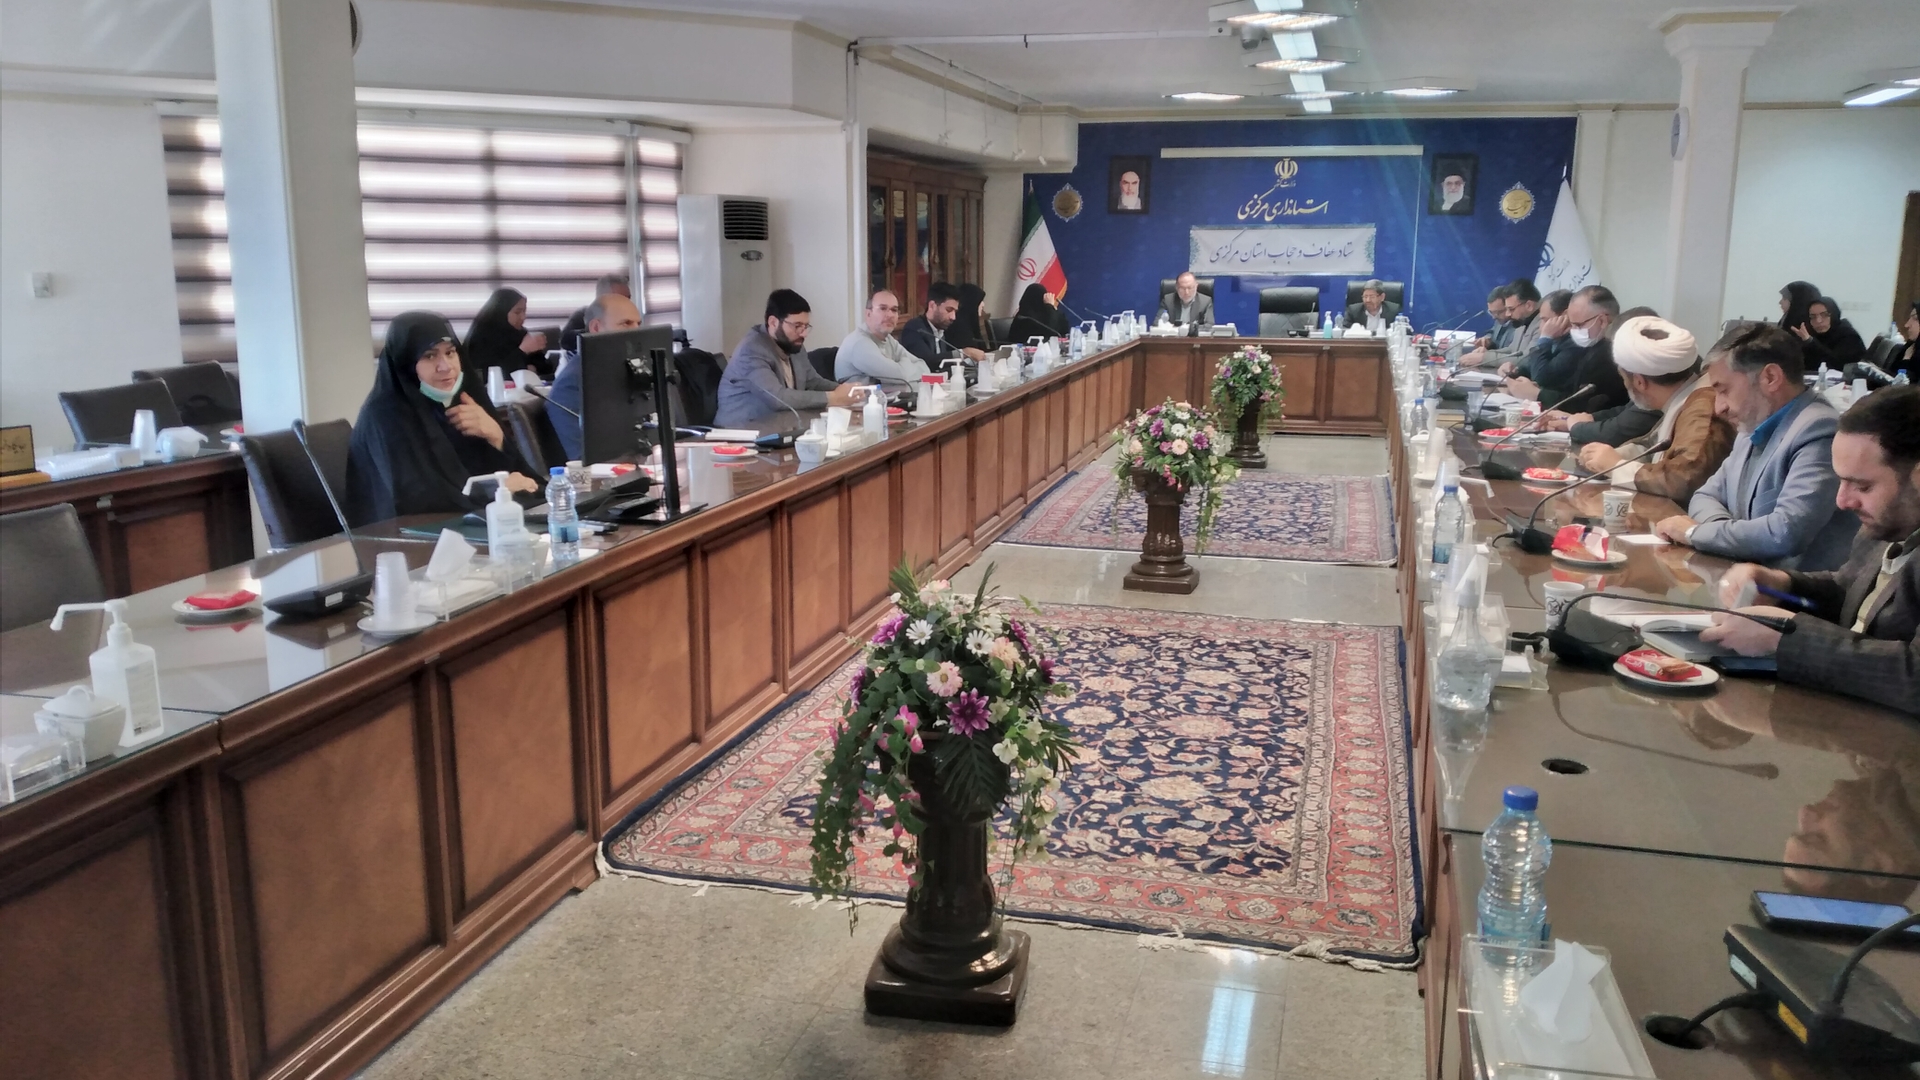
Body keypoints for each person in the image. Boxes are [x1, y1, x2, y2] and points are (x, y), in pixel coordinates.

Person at [1700, 386, 1920, 714]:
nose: (1843, 501)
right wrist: (1780, 585)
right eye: (1841, 481)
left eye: (1862, 486)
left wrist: (1784, 638)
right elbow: (1849, 591)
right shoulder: (1888, 521)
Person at [1653, 323, 1857, 570]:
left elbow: (1785, 532)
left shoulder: (1819, 429)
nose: (1719, 408)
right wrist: (1722, 536)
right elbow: (1705, 496)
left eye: (1724, 391)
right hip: (1741, 577)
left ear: (1770, 378)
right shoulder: (1751, 425)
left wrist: (1694, 533)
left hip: (1790, 588)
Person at [345, 312, 539, 526]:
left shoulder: (460, 403)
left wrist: (496, 437)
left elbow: (525, 480)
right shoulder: (385, 415)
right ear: (405, 362)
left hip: (468, 527)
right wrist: (499, 488)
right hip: (402, 536)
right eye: (430, 356)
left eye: (450, 352)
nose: (446, 366)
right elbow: (418, 500)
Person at [1574, 316, 1733, 504]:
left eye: (1624, 378)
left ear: (1639, 382)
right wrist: (1606, 458)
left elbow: (1683, 480)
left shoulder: (1702, 409)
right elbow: (1655, 448)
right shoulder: (1684, 399)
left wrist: (1616, 466)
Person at [714, 289, 859, 428]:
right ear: (773, 322)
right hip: (739, 432)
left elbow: (813, 382)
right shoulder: (751, 351)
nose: (803, 334)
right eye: (797, 326)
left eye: (806, 326)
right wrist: (832, 398)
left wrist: (847, 391)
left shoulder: (793, 346)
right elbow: (778, 398)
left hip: (780, 427)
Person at [544, 292, 642, 461]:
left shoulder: (628, 370)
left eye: (638, 324)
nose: (636, 331)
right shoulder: (571, 385)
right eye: (626, 323)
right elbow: (584, 458)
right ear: (596, 328)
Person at [1506, 285, 1629, 414]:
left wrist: (1538, 394)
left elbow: (1583, 405)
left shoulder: (1609, 355)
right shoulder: (1592, 345)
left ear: (1602, 321)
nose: (1572, 330)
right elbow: (1569, 391)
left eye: (1578, 325)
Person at [838, 289, 932, 389]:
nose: (890, 315)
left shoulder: (888, 339)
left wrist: (901, 367)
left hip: (892, 397)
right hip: (862, 399)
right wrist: (905, 363)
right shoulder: (859, 343)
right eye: (883, 308)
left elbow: (924, 368)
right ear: (868, 314)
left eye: (894, 310)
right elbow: (900, 376)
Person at [463, 287, 548, 383]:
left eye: (524, 311)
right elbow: (489, 375)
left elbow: (545, 367)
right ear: (501, 312)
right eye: (517, 312)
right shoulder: (482, 337)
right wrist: (523, 351)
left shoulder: (519, 332)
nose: (523, 317)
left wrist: (533, 366)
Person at [897, 282, 987, 365]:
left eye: (955, 312)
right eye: (949, 310)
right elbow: (925, 361)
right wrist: (964, 353)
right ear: (932, 306)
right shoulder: (914, 328)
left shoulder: (941, 328)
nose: (953, 317)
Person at [1464, 280, 1539, 367]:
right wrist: (1485, 353)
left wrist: (1483, 358)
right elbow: (1512, 350)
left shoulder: (1541, 325)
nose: (1508, 314)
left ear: (1529, 305)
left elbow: (1527, 360)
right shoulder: (1522, 321)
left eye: (1511, 309)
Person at [559, 273, 630, 355]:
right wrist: (597, 332)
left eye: (628, 298)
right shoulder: (583, 314)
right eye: (620, 299)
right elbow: (565, 340)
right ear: (601, 297)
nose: (627, 303)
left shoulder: (632, 319)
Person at [1795, 296, 1867, 372]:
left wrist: (1810, 342)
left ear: (1833, 314)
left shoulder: (1848, 336)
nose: (1818, 321)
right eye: (1813, 317)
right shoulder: (1812, 333)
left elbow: (1837, 365)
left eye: (1824, 315)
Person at [946, 283, 993, 355]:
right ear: (971, 302)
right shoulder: (959, 327)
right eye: (980, 301)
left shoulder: (969, 321)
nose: (983, 305)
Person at [1475, 285, 1512, 350]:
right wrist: (1487, 340)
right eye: (1491, 312)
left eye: (1499, 312)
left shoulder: (1519, 325)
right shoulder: (1499, 320)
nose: (1494, 317)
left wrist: (1486, 355)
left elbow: (1512, 352)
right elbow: (1492, 333)